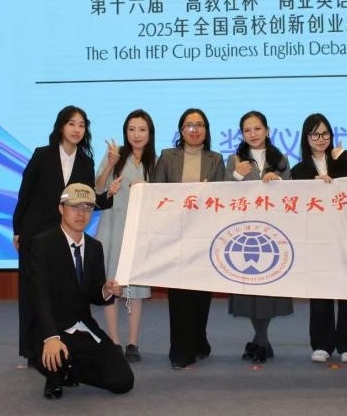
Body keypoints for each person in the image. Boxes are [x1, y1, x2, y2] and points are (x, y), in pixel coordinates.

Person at [12, 105, 114, 365]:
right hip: (35, 233)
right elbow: (25, 193)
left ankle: (60, 343)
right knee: (32, 292)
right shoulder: (42, 154)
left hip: (63, 237)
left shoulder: (85, 161)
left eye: (81, 125)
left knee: (58, 292)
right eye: (72, 123)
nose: (77, 129)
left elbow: (88, 200)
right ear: (61, 126)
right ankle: (32, 350)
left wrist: (109, 192)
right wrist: (18, 229)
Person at [28, 183, 134, 399]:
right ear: (61, 208)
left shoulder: (95, 247)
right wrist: (50, 336)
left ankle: (67, 369)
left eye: (87, 207)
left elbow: (94, 294)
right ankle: (55, 370)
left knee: (123, 381)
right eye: (75, 207)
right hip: (51, 326)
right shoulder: (42, 244)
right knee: (53, 353)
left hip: (82, 327)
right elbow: (39, 296)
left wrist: (106, 290)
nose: (81, 213)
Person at [290, 113, 347, 363]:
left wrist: (341, 162)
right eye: (315, 134)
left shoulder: (345, 158)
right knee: (320, 288)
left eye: (325, 133)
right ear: (306, 138)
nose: (321, 138)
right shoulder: (299, 170)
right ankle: (322, 343)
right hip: (317, 237)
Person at [151, 108, 225, 370]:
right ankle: (180, 351)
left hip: (205, 235)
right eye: (189, 125)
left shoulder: (216, 159)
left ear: (206, 130)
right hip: (176, 234)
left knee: (201, 293)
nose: (195, 130)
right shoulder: (167, 156)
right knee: (179, 293)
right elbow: (156, 192)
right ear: (181, 130)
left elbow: (223, 196)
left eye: (200, 125)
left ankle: (199, 341)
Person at [225, 111, 294, 363]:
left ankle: (260, 342)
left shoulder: (280, 158)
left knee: (267, 292)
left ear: (267, 130)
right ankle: (262, 342)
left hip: (272, 233)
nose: (252, 134)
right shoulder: (234, 159)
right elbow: (223, 194)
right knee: (250, 292)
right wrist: (237, 175)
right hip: (243, 232)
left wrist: (277, 182)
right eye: (247, 130)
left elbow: (291, 194)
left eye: (257, 128)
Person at [95, 109, 157, 362]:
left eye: (142, 129)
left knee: (136, 289)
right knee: (112, 285)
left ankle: (133, 343)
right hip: (112, 227)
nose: (136, 134)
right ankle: (114, 341)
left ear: (150, 133)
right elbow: (97, 188)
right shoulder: (115, 155)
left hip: (140, 232)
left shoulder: (156, 161)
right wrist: (110, 165)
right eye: (131, 129)